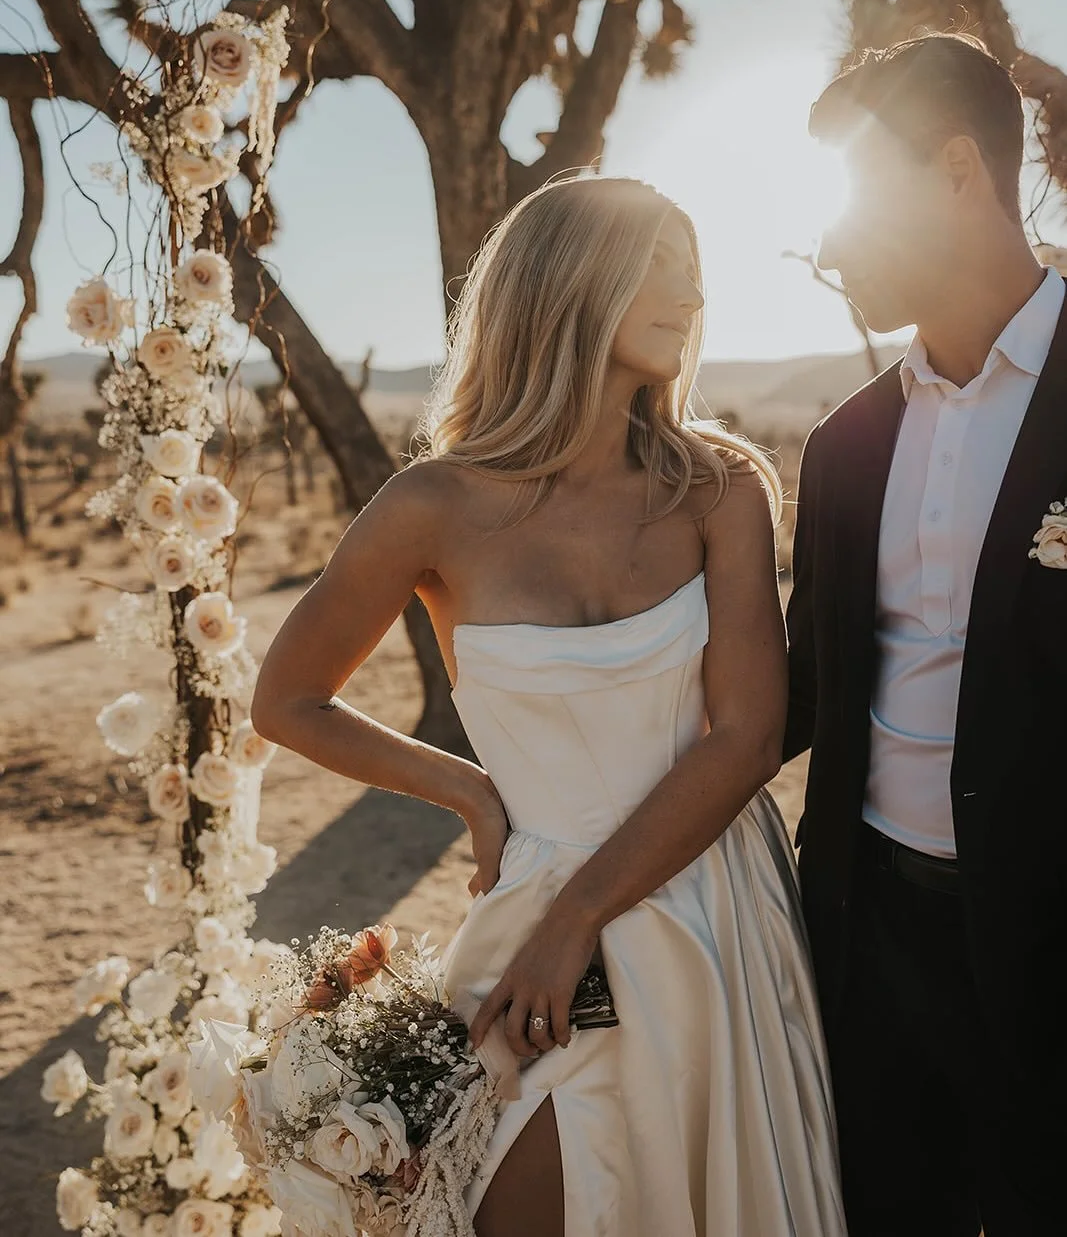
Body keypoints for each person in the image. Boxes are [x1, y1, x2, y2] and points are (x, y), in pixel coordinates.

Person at [252, 175, 846, 1236]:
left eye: (692, 270)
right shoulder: (430, 504)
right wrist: (472, 792)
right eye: (656, 267)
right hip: (531, 892)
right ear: (566, 288)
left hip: (708, 901)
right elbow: (287, 699)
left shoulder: (720, 488)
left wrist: (576, 918)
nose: (688, 295)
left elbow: (746, 735)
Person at [786, 32, 1067, 1236]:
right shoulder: (842, 447)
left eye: (857, 196)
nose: (833, 240)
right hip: (870, 947)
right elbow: (792, 697)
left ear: (959, 170)